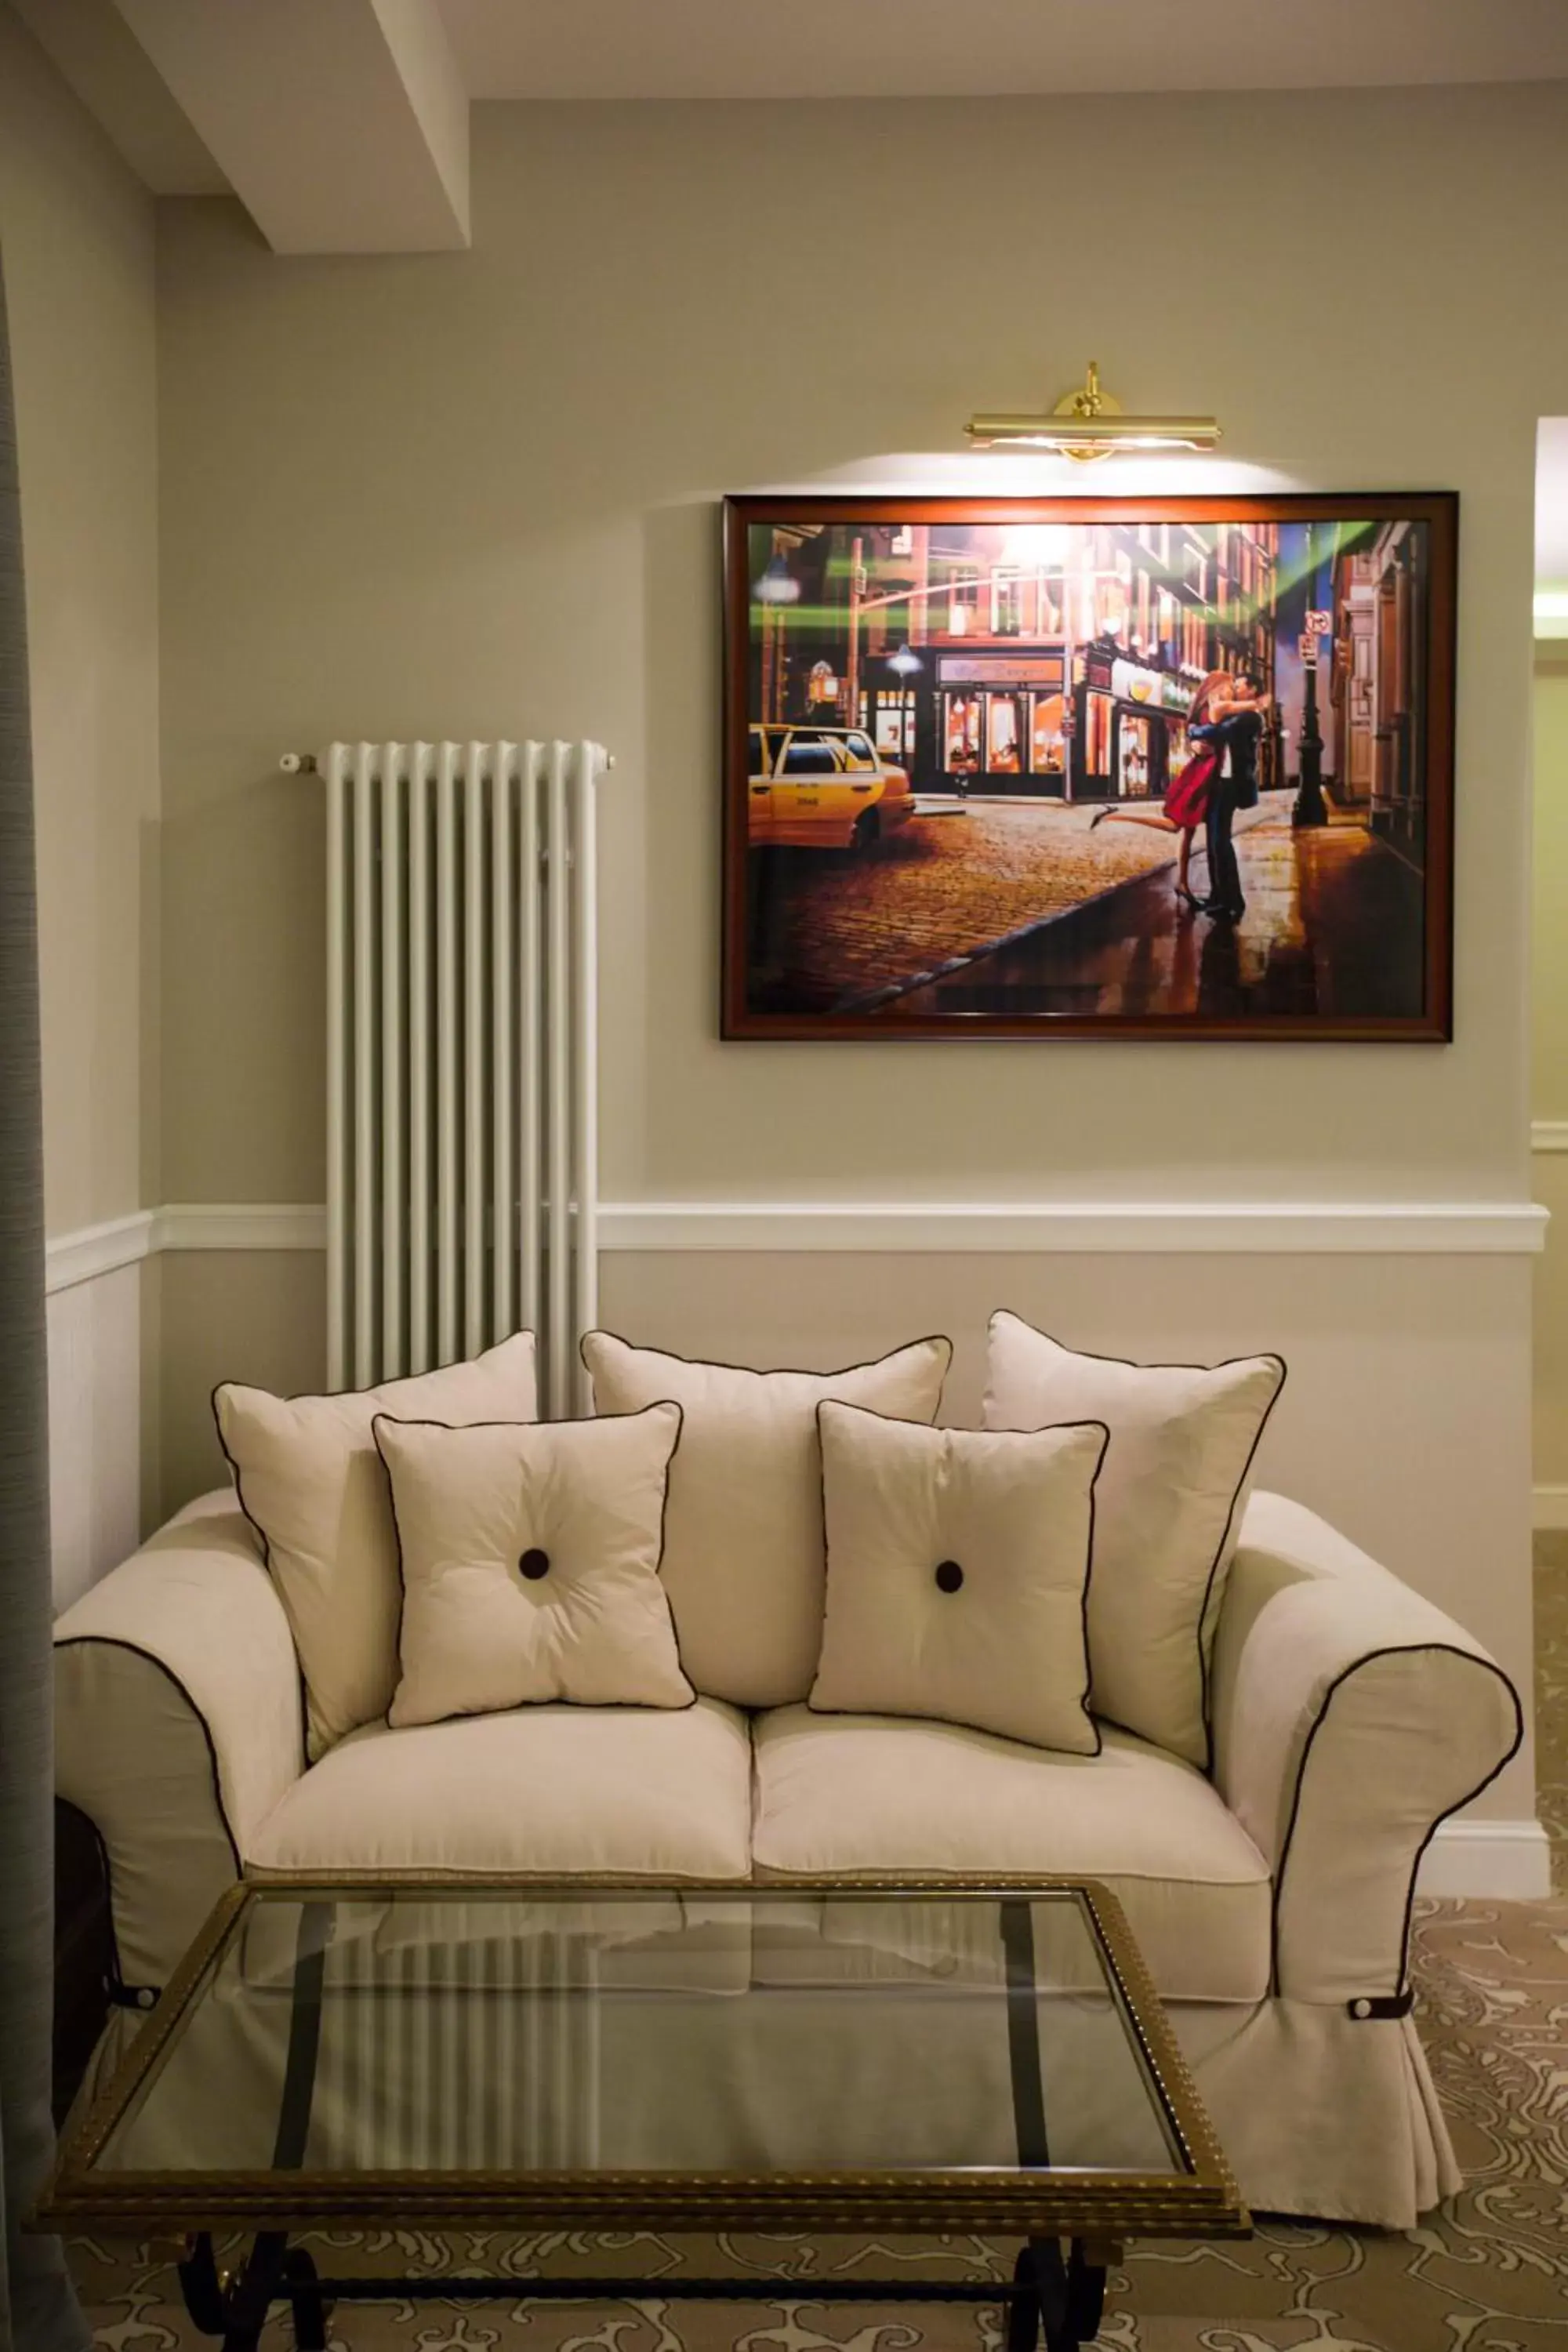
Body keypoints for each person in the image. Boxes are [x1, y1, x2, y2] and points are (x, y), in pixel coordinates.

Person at [1088, 670, 1231, 909]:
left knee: (1188, 831)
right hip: (1200, 776)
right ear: (1215, 688)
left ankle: (1183, 883)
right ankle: (1113, 816)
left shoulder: (1208, 710)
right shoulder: (1212, 711)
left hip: (1203, 774)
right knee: (1176, 826)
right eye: (1228, 687)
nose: (1231, 691)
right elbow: (1205, 740)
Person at [1189, 672, 1265, 920]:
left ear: (1252, 689)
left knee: (1221, 841)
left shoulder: (1250, 717)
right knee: (1213, 840)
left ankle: (1233, 901)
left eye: (1240, 686)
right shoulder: (1239, 711)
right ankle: (1217, 896)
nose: (1235, 688)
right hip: (1219, 782)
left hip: (1231, 784)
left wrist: (1193, 732)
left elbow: (1217, 731)